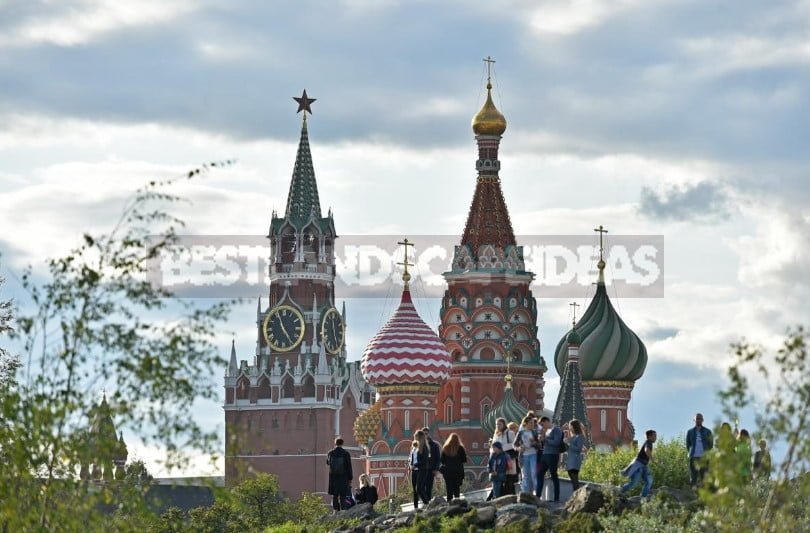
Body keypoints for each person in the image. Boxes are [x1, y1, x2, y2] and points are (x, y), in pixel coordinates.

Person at [620, 429, 656, 498]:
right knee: (634, 483)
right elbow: (646, 450)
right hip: (639, 465)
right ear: (649, 436)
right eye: (654, 436)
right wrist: (652, 459)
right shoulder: (648, 442)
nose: (656, 438)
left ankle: (642, 498)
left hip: (644, 466)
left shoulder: (649, 443)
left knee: (649, 481)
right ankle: (620, 490)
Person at [536, 416, 563, 501]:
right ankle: (537, 496)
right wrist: (541, 440)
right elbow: (545, 442)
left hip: (552, 455)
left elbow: (556, 442)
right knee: (539, 474)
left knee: (554, 475)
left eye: (543, 424)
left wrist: (546, 439)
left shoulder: (556, 429)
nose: (542, 426)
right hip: (544, 455)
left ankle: (556, 498)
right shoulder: (546, 431)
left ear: (547, 421)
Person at [686, 412, 713, 487]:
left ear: (702, 420)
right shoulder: (690, 432)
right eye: (697, 419)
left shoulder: (708, 431)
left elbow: (711, 444)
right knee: (693, 476)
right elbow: (688, 444)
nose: (698, 420)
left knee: (704, 477)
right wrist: (691, 453)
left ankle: (704, 496)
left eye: (700, 419)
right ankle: (692, 495)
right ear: (694, 420)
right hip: (693, 457)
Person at [492, 417, 518, 494]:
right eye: (497, 424)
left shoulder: (509, 433)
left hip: (508, 459)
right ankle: (501, 497)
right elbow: (493, 446)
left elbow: (514, 444)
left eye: (499, 424)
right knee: (500, 479)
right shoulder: (496, 434)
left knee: (509, 479)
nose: (498, 426)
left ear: (504, 424)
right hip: (499, 461)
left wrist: (502, 448)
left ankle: (511, 496)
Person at [327, 437, 353, 512]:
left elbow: (328, 462)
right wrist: (350, 478)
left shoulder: (331, 453)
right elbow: (349, 466)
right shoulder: (346, 453)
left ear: (335, 443)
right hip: (343, 477)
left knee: (335, 495)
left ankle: (335, 510)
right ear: (342, 443)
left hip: (333, 477)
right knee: (343, 494)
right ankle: (343, 509)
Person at [515, 415, 540, 494]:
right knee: (525, 475)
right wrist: (518, 448)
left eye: (533, 422)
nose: (533, 424)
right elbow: (514, 444)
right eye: (531, 422)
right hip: (524, 456)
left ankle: (536, 494)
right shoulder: (520, 433)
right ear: (525, 423)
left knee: (534, 474)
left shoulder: (534, 432)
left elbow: (539, 446)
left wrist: (534, 443)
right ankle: (525, 494)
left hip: (533, 455)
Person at [440, 433, 467, 501]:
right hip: (457, 471)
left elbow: (442, 460)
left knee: (449, 488)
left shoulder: (445, 448)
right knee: (456, 488)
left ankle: (449, 502)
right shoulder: (460, 448)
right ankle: (457, 503)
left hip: (447, 472)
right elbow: (464, 460)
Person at [409, 430, 431, 508]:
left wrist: (415, 465)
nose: (414, 436)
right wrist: (411, 465)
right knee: (415, 490)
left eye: (416, 435)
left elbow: (424, 460)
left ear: (419, 437)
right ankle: (416, 507)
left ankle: (427, 504)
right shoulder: (414, 446)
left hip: (422, 470)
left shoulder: (424, 447)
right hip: (414, 471)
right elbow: (412, 458)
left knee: (419, 488)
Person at [421, 427, 442, 501]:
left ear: (428, 434)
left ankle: (428, 502)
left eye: (426, 434)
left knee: (429, 486)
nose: (425, 435)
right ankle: (424, 501)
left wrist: (436, 469)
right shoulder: (419, 445)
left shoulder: (434, 445)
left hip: (430, 469)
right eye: (423, 434)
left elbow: (438, 458)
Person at [565, 419, 586, 491]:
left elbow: (578, 449)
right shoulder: (573, 436)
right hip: (570, 460)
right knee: (573, 480)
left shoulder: (580, 436)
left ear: (574, 427)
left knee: (575, 481)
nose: (569, 428)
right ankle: (576, 496)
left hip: (575, 460)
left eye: (570, 426)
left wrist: (568, 443)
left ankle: (577, 496)